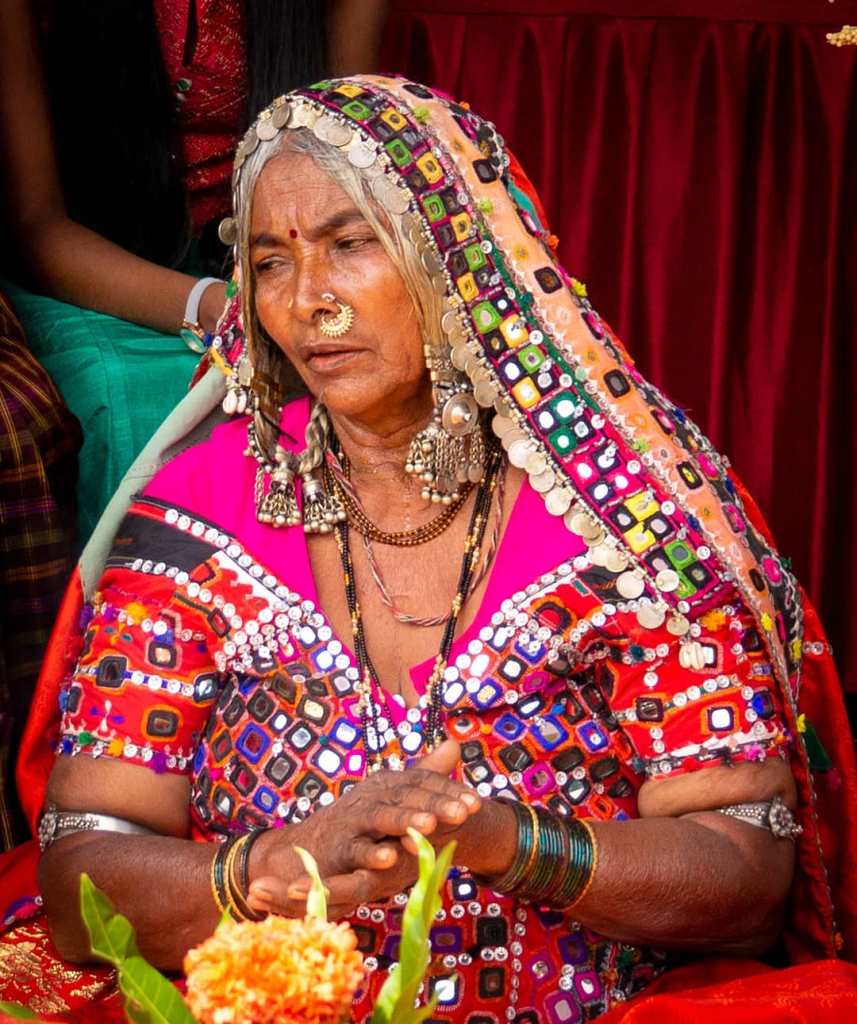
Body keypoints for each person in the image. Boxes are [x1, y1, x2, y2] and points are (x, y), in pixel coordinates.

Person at [2, 75, 856, 1021]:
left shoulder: (628, 518)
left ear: (458, 262)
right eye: (271, 262)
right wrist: (277, 867)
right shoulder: (195, 516)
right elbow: (81, 874)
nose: (307, 302)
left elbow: (746, 877)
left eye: (349, 245)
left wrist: (501, 841)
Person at [0, 0, 389, 543]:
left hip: (280, 260)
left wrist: (281, 282)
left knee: (352, 386)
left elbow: (342, 175)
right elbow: (37, 227)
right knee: (130, 402)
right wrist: (216, 305)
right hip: (92, 275)